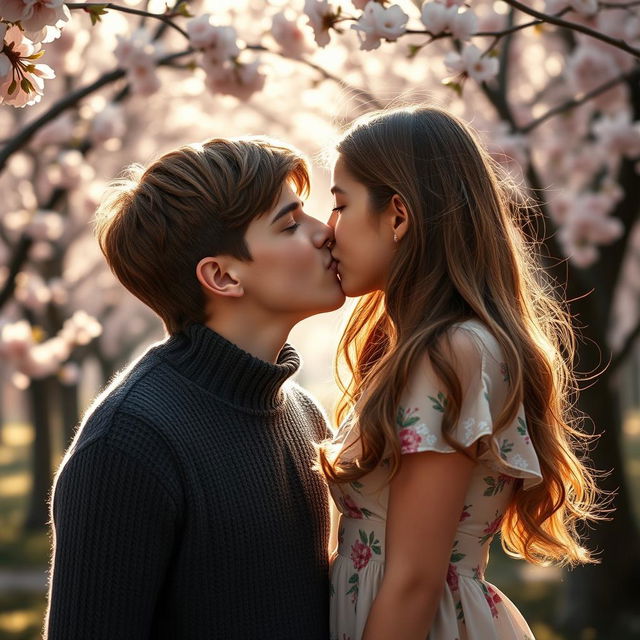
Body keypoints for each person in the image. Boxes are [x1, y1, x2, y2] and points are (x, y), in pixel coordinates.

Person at [318, 106, 602, 640]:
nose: (328, 232)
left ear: (398, 215)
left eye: (340, 204)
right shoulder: (434, 346)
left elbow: (413, 579)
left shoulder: (450, 353)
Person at [45, 137, 345, 639]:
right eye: (290, 224)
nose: (326, 233)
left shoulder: (304, 415)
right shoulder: (127, 445)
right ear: (223, 275)